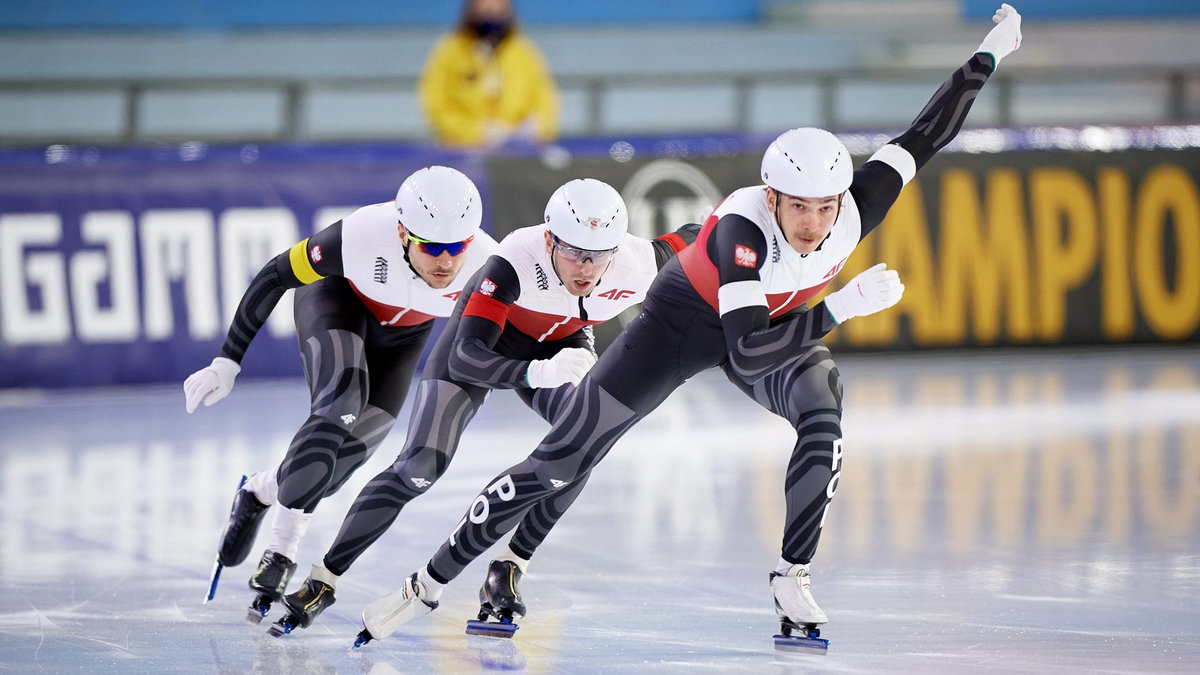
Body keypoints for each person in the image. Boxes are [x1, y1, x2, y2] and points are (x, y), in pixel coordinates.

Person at [351, 4, 1025, 646]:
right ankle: (429, 580)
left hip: (777, 325)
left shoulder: (860, 203)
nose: (814, 224)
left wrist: (988, 54)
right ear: (771, 198)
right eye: (798, 207)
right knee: (567, 456)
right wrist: (839, 308)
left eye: (825, 207)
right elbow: (751, 352)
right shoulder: (742, 229)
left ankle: (793, 577)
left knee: (825, 414)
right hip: (685, 322)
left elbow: (928, 132)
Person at [266, 178, 700, 635]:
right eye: (572, 252)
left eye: (598, 255)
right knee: (420, 466)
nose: (586, 268)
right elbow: (464, 356)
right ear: (550, 238)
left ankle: (508, 569)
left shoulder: (641, 261)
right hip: (483, 345)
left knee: (581, 446)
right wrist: (535, 373)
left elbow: (706, 230)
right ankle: (324, 579)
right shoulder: (514, 260)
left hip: (559, 345)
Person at [184, 166, 498, 622]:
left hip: (403, 340)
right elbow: (274, 275)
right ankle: (281, 551)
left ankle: (258, 491)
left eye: (457, 247)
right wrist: (228, 360)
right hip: (337, 304)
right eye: (431, 246)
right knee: (340, 406)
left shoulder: (491, 262)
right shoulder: (359, 235)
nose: (446, 261)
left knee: (335, 468)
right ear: (402, 233)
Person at [420, 0, 559, 149]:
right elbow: (436, 105)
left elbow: (544, 100)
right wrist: (477, 133)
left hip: (517, 151)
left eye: (498, 9)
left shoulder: (523, 52)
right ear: (471, 11)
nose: (492, 15)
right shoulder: (450, 52)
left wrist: (534, 129)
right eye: (485, 10)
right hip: (461, 150)